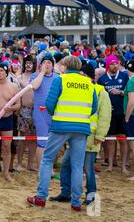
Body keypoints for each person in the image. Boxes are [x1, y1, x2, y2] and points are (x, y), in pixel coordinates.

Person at [27, 56, 97, 211]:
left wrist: (57, 113)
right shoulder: (89, 83)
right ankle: (76, 202)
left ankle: (41, 197)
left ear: (64, 66)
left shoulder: (60, 80)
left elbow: (49, 104)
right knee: (77, 166)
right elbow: (94, 107)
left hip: (60, 125)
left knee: (47, 160)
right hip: (81, 127)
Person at [51, 63, 111, 205]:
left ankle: (90, 196)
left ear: (84, 74)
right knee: (66, 164)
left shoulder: (101, 92)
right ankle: (66, 192)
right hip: (77, 134)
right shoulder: (80, 87)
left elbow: (105, 115)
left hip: (91, 137)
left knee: (88, 168)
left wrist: (100, 135)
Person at [97, 55, 129, 173]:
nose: (115, 66)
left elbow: (130, 93)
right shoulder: (102, 79)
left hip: (122, 112)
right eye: (112, 64)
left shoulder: (124, 76)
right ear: (108, 65)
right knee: (110, 140)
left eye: (116, 63)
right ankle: (110, 165)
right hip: (109, 113)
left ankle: (124, 165)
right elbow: (100, 96)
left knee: (123, 139)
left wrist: (120, 92)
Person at [29, 53, 59, 172]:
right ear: (40, 65)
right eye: (44, 63)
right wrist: (41, 72)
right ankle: (42, 169)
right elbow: (34, 86)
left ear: (53, 65)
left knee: (52, 142)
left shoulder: (57, 77)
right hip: (40, 113)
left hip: (54, 113)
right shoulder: (35, 76)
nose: (47, 65)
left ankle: (50, 167)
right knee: (42, 142)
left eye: (49, 63)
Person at [16, 55, 37, 171]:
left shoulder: (37, 77)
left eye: (31, 63)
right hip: (24, 109)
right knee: (22, 137)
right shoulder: (20, 78)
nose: (28, 65)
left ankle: (30, 164)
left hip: (36, 111)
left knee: (34, 138)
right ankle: (19, 163)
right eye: (27, 63)